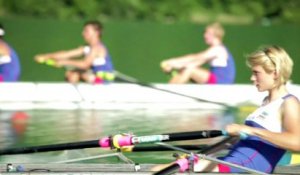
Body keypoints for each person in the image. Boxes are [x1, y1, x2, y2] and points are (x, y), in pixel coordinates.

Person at [190, 45, 300, 173]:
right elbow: (252, 140)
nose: (252, 78)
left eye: (256, 73)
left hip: (243, 168)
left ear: (275, 73)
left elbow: (297, 142)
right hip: (232, 162)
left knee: (181, 169)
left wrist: (250, 130)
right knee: (177, 165)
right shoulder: (266, 102)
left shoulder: (289, 103)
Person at [35, 20, 114, 84]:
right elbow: (66, 54)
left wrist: (65, 62)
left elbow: (85, 64)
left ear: (96, 33)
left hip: (103, 81)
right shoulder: (86, 48)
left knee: (75, 74)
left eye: (86, 31)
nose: (83, 33)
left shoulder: (97, 48)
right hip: (94, 78)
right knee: (70, 74)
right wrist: (46, 56)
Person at [160, 22, 235, 84]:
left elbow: (196, 57)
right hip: (217, 82)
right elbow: (195, 62)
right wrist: (174, 65)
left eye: (207, 33)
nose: (204, 36)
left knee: (190, 69)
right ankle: (170, 88)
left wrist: (171, 62)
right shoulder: (216, 49)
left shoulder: (218, 49)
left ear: (216, 35)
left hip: (221, 84)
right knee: (187, 67)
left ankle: (168, 91)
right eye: (204, 33)